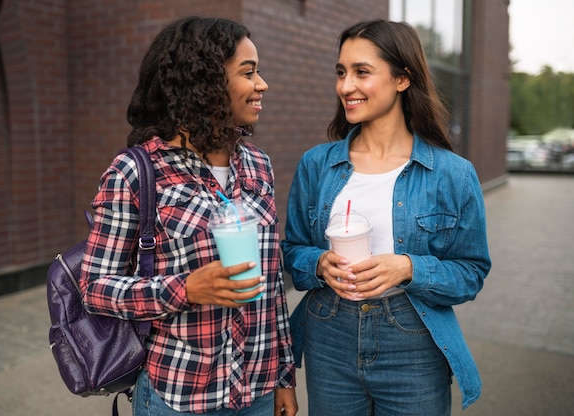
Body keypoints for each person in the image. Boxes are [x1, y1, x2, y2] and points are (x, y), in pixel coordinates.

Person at [80, 16, 298, 416]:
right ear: (205, 83)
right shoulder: (137, 172)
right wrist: (186, 289)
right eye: (248, 73)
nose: (261, 84)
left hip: (258, 391)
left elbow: (271, 285)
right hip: (180, 396)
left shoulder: (258, 166)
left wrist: (284, 377)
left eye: (259, 71)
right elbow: (94, 287)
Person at [281, 19, 491, 416]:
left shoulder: (454, 174)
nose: (346, 86)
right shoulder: (317, 165)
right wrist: (319, 263)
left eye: (362, 72)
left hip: (412, 340)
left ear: (402, 79)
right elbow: (292, 251)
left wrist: (409, 267)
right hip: (330, 336)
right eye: (341, 73)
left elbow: (471, 272)